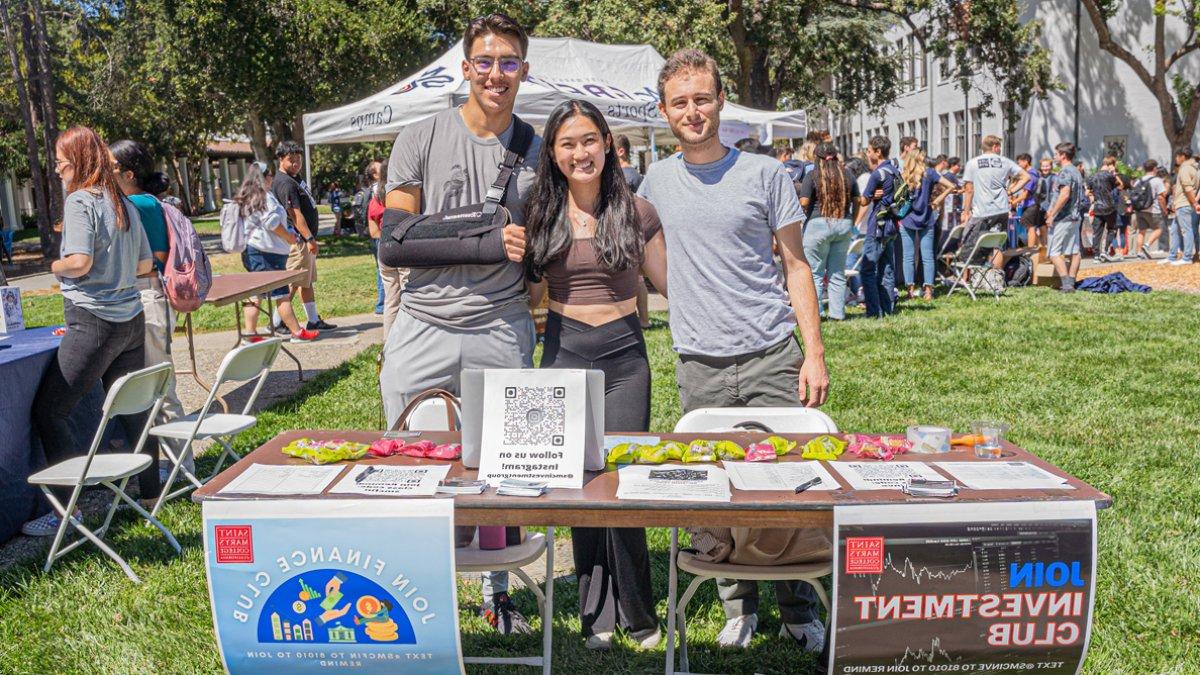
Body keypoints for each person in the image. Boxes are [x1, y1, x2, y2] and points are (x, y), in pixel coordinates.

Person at [638, 48, 830, 653]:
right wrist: (686, 293)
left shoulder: (766, 174)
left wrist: (815, 352)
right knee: (711, 486)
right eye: (680, 102)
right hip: (698, 359)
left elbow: (797, 267)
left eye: (702, 98)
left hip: (772, 351)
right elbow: (646, 254)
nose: (692, 111)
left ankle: (799, 602)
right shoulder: (655, 181)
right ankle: (735, 604)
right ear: (664, 111)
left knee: (785, 481)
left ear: (720, 101)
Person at [381, 12, 540, 635]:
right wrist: (482, 240)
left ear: (523, 71)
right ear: (465, 67)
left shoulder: (534, 148)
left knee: (500, 470)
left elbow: (541, 241)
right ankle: (414, 592)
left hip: (501, 324)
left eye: (508, 62)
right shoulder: (419, 138)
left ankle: (498, 591)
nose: (495, 74)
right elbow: (394, 243)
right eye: (485, 61)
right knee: (409, 461)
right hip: (422, 322)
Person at [524, 99, 669, 651]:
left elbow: (670, 283)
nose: (580, 152)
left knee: (623, 487)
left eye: (589, 140)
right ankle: (596, 616)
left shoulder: (639, 211)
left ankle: (640, 614)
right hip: (562, 357)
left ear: (607, 144)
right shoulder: (539, 211)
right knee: (581, 489)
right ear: (554, 154)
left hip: (626, 362)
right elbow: (533, 296)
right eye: (568, 143)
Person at [23, 127, 161, 536]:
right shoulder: (122, 202)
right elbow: (144, 267)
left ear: (78, 160)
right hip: (130, 321)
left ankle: (69, 511)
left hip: (93, 321)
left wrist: (54, 266)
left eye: (62, 160)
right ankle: (151, 495)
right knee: (133, 408)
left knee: (49, 410)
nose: (57, 167)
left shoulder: (81, 201)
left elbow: (79, 262)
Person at [109, 139, 190, 479]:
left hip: (146, 299)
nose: (104, 172)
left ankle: (182, 468)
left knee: (160, 387)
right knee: (155, 385)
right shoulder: (140, 202)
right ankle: (168, 465)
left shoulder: (138, 204)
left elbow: (152, 260)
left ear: (128, 173)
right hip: (144, 300)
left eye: (111, 167)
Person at [234, 163, 316, 342]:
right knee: (281, 294)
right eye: (270, 174)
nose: (272, 177)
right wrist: (288, 237)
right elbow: (272, 223)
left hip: (258, 252)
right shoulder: (264, 196)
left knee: (256, 294)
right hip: (266, 253)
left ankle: (250, 333)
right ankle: (296, 332)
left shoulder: (251, 197)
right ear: (264, 177)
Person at [272, 141, 337, 332]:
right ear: (281, 160)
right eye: (291, 160)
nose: (296, 163)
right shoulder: (285, 183)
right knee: (293, 282)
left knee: (306, 282)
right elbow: (294, 214)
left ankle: (313, 320)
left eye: (298, 159)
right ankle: (278, 321)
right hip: (299, 241)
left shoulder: (294, 179)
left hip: (305, 240)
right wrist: (309, 238)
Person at [799, 142, 859, 320]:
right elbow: (858, 200)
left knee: (815, 273)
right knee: (837, 273)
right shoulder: (847, 175)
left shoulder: (812, 176)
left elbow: (803, 202)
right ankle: (837, 314)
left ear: (817, 159)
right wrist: (852, 220)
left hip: (817, 225)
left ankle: (816, 314)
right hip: (843, 224)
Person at [958, 136, 1029, 268]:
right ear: (995, 146)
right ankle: (996, 278)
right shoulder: (1005, 162)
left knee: (973, 244)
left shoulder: (973, 163)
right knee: (996, 245)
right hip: (1001, 210)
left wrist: (965, 211)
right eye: (999, 147)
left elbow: (969, 190)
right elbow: (1026, 177)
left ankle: (976, 278)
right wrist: (1011, 191)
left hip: (981, 211)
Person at [899, 147, 956, 300]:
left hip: (907, 218)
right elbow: (951, 186)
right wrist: (938, 200)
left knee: (908, 256)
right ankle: (929, 291)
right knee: (928, 256)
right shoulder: (929, 173)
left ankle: (910, 291)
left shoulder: (904, 175)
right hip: (927, 217)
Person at [858, 136, 900, 318]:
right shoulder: (895, 171)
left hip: (877, 226)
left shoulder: (877, 174)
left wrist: (868, 196)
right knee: (887, 270)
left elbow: (863, 200)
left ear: (877, 152)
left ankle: (874, 311)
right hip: (891, 225)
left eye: (869, 150)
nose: (867, 154)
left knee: (867, 269)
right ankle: (888, 308)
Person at [366, 160, 406, 339]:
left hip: (385, 248)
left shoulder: (376, 198)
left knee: (391, 300)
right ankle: (407, 341)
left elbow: (373, 231)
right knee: (410, 297)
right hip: (404, 247)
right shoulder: (403, 193)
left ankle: (388, 343)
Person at [615, 134, 652, 328]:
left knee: (635, 278)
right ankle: (642, 320)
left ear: (621, 151)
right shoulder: (635, 176)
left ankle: (643, 320)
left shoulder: (625, 176)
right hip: (630, 233)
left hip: (627, 233)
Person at [1043, 142, 1086, 292]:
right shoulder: (1076, 171)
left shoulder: (1065, 172)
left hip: (1063, 217)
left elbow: (1064, 194)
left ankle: (1067, 284)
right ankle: (1071, 282)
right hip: (1075, 217)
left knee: (1054, 252)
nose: (1054, 156)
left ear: (1063, 155)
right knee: (1075, 251)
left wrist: (1052, 214)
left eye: (1056, 154)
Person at [1162, 145, 1198, 265]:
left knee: (1186, 231)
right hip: (1181, 204)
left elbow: (1188, 188)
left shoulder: (1185, 169)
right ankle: (1172, 256)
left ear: (1182, 157)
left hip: (1184, 204)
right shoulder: (1194, 168)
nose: (1176, 159)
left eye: (1177, 156)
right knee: (1174, 231)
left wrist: (1194, 202)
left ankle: (1187, 257)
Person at [1086, 156, 1124, 261]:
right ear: (1111, 165)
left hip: (1097, 207)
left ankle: (1096, 255)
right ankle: (1105, 251)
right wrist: (1115, 174)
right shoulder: (1110, 176)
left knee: (1097, 232)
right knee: (1111, 229)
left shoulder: (1092, 177)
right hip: (1109, 207)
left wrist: (1094, 195)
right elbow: (1120, 186)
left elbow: (1087, 192)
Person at [1013, 153, 1042, 249]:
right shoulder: (1033, 173)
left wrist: (1013, 202)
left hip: (1031, 204)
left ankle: (1031, 250)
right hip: (1033, 204)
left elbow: (1025, 194)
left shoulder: (1031, 175)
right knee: (1030, 227)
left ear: (1026, 162)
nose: (1018, 165)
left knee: (1030, 228)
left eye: (1019, 163)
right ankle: (1040, 249)